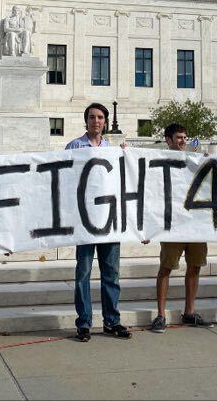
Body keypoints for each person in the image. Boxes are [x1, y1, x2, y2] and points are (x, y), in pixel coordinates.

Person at [66, 103, 131, 342]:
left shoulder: (112, 149)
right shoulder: (74, 146)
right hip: (84, 222)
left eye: (101, 117)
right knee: (83, 273)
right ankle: (83, 323)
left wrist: (127, 157)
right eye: (92, 117)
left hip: (108, 221)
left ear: (105, 122)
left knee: (111, 273)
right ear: (86, 121)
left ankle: (111, 321)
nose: (96, 121)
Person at [149, 123, 212, 333]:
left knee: (195, 267)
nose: (183, 141)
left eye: (185, 137)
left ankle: (189, 312)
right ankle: (160, 315)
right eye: (178, 137)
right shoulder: (160, 161)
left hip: (195, 224)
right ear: (168, 139)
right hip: (173, 225)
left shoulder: (195, 160)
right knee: (166, 268)